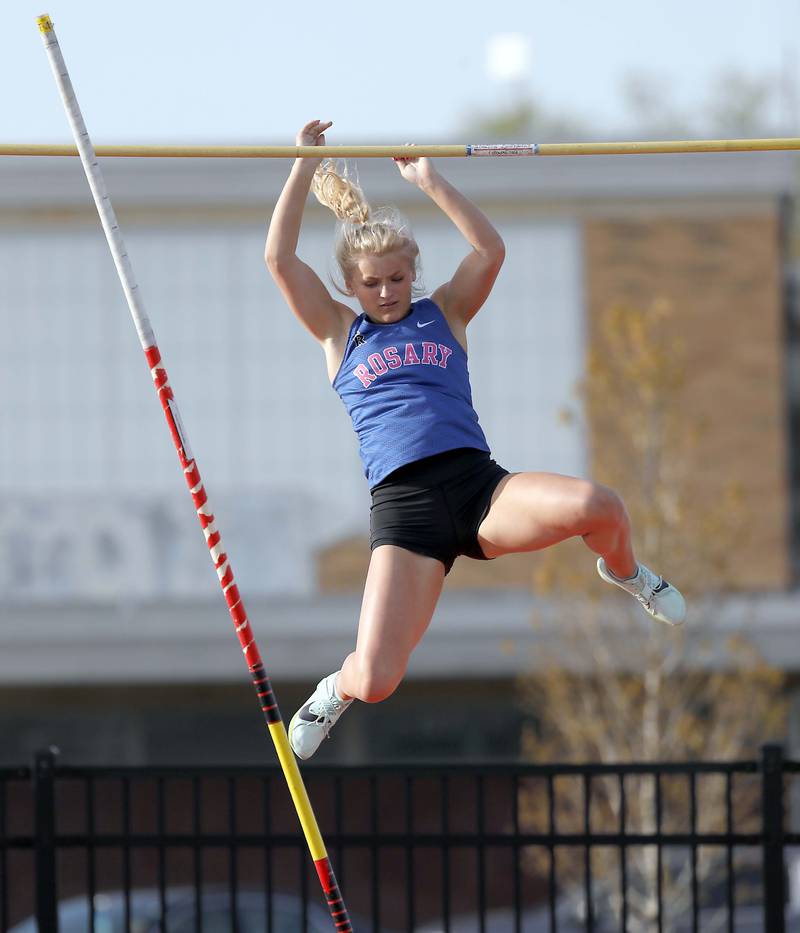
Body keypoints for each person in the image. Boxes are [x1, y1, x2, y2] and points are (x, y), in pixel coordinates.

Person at [265, 120, 686, 761]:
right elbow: (279, 260)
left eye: (397, 278)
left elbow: (490, 251)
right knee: (377, 679)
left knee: (600, 507)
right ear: (349, 286)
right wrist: (301, 165)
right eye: (372, 283)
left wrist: (428, 178)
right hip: (405, 515)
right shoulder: (339, 334)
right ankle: (335, 689)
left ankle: (623, 571)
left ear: (413, 273)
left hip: (479, 489)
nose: (386, 292)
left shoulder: (446, 312)